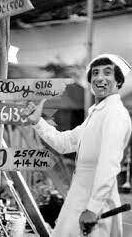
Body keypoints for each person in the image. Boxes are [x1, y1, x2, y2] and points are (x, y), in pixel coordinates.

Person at [21, 54, 132, 237]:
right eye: (95, 73)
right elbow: (64, 143)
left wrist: (93, 209)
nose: (99, 78)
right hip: (80, 199)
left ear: (119, 81)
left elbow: (108, 165)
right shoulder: (96, 114)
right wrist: (37, 122)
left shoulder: (115, 115)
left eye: (107, 73)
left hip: (94, 205)